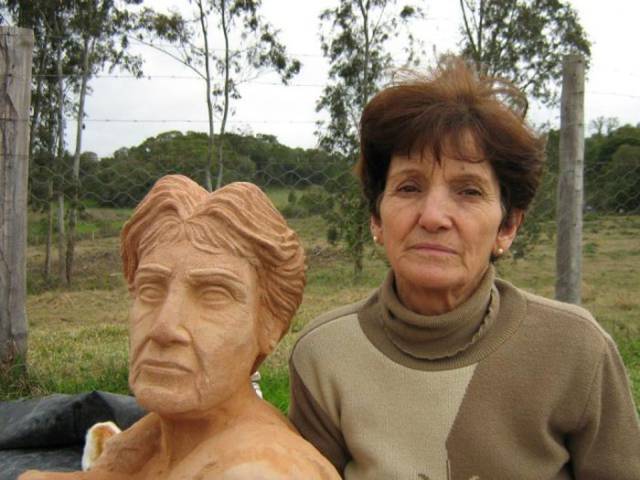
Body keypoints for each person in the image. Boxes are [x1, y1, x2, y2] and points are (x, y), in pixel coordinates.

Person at [289, 58, 640, 479]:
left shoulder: (577, 350)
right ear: (377, 219)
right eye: (409, 187)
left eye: (468, 191)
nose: (434, 216)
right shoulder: (324, 354)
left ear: (508, 226)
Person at [21, 175, 339, 480]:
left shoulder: (257, 472)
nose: (164, 327)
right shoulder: (152, 443)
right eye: (150, 289)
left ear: (270, 325)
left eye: (213, 294)